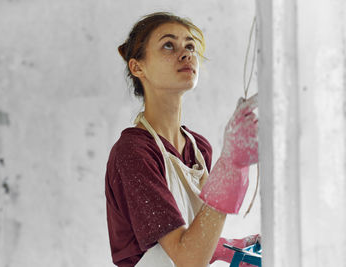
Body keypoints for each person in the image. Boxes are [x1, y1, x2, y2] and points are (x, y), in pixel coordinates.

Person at [105, 12, 260, 267]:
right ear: (137, 67)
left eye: (190, 46)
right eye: (169, 45)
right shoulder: (133, 153)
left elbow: (190, 239)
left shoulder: (198, 148)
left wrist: (226, 249)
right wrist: (231, 166)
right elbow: (188, 259)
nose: (186, 54)